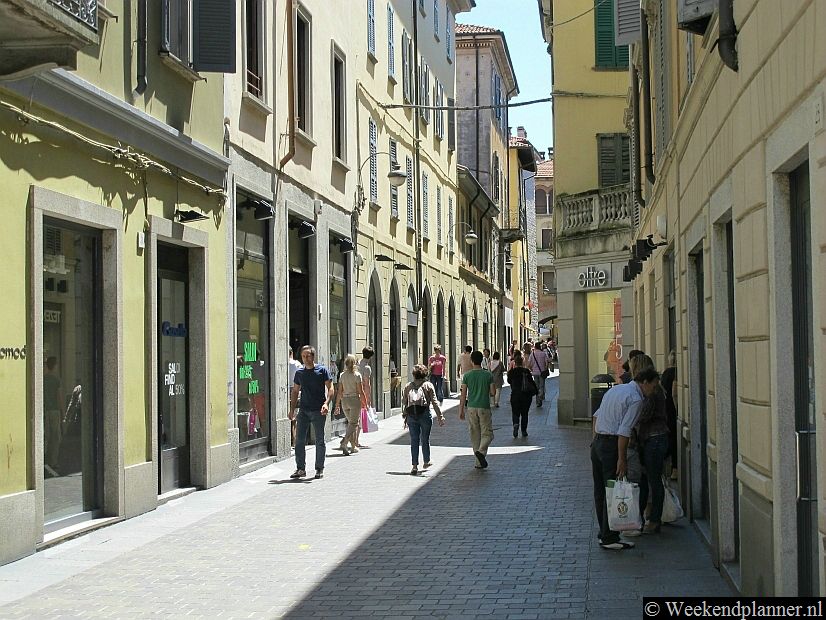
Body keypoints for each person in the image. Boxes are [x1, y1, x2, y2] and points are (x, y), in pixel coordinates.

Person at [591, 366, 661, 550]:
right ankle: (609, 537)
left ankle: (604, 532)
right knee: (612, 489)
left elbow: (596, 416)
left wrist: (595, 442)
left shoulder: (616, 389)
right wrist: (622, 459)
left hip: (598, 442)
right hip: (611, 445)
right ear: (644, 382)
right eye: (653, 387)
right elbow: (624, 431)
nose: (653, 392)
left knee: (601, 490)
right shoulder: (636, 399)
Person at [634, 359, 669, 534]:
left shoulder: (653, 394)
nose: (655, 386)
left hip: (654, 439)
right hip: (656, 439)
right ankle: (650, 517)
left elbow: (644, 415)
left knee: (653, 480)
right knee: (652, 480)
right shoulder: (657, 392)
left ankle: (654, 519)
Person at [289, 346, 334, 480]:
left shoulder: (322, 370)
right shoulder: (299, 373)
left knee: (319, 440)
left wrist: (326, 403)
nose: (306, 359)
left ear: (313, 356)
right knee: (299, 440)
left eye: (308, 356)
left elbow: (331, 387)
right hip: (303, 410)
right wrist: (292, 409)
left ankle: (319, 468)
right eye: (303, 356)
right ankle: (300, 468)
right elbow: (295, 391)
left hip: (318, 410)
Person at [403, 364, 445, 475]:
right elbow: (435, 402)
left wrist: (405, 415)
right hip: (425, 414)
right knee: (425, 438)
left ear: (413, 374)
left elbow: (404, 402)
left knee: (414, 440)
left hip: (412, 415)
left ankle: (414, 466)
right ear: (425, 374)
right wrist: (440, 416)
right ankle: (426, 461)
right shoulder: (428, 385)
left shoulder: (408, 386)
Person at [459, 351, 495, 469]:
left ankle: (478, 462)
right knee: (487, 433)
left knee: (475, 434)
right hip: (484, 406)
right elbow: (493, 392)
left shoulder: (467, 376)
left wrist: (461, 410)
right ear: (482, 360)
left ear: (472, 361)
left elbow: (463, 394)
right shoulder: (488, 375)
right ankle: (481, 451)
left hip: (471, 407)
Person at [334, 354, 368, 456]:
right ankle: (344, 442)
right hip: (354, 399)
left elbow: (339, 391)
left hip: (344, 400)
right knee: (354, 423)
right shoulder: (357, 375)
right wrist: (365, 402)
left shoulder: (342, 375)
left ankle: (353, 446)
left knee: (350, 423)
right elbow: (361, 391)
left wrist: (337, 405)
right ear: (354, 363)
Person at [506, 350, 535, 438]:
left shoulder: (512, 372)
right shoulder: (526, 371)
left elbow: (509, 381)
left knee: (515, 412)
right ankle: (524, 430)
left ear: (515, 362)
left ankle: (515, 424)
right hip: (526, 396)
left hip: (515, 394)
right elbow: (531, 382)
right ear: (522, 362)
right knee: (524, 413)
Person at [43, 356, 62, 476]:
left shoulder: (43, 379)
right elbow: (59, 397)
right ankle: (53, 461)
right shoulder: (56, 380)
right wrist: (63, 412)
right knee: (56, 437)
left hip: (45, 410)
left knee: (46, 436)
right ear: (54, 366)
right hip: (55, 410)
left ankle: (44, 458)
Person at [661, 350, 678, 479]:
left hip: (666, 407)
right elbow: (674, 392)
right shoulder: (677, 373)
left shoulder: (666, 373)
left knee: (671, 436)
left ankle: (672, 469)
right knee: (674, 438)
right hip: (673, 408)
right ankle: (675, 468)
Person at [356, 346, 374, 448]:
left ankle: (351, 439)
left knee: (354, 418)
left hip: (353, 392)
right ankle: (355, 440)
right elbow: (367, 384)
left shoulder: (357, 363)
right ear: (371, 357)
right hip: (361, 393)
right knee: (358, 419)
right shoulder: (367, 368)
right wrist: (368, 399)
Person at [288, 347, 303, 447]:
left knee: (289, 415)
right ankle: (294, 440)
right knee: (295, 418)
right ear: (291, 353)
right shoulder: (297, 364)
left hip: (285, 390)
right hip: (295, 390)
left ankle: (291, 439)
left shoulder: (282, 364)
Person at [527, 342, 549, 407]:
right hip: (542, 372)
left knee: (536, 387)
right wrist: (545, 368)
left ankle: (538, 402)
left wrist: (531, 369)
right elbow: (546, 363)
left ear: (535, 347)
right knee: (542, 386)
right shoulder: (543, 354)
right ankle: (540, 397)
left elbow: (528, 364)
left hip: (535, 373)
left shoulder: (532, 354)